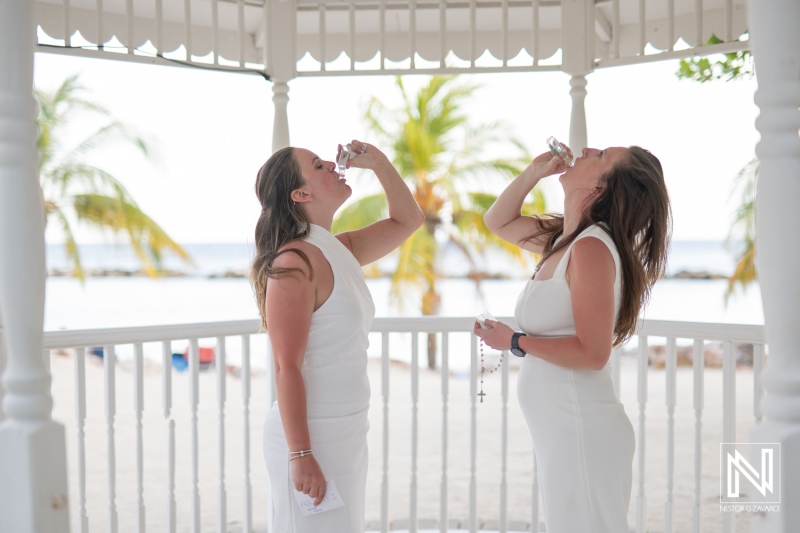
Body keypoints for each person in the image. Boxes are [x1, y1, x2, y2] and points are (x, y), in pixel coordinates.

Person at [474, 144, 671, 532]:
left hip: (582, 429)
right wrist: (534, 173)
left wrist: (514, 342)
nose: (587, 149)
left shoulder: (591, 248)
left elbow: (593, 353)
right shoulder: (566, 241)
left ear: (600, 187)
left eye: (599, 156)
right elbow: (497, 221)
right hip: (564, 431)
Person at [251, 141, 423, 532]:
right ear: (302, 194)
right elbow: (286, 366)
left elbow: (408, 220)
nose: (332, 163)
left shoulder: (338, 249)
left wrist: (379, 163)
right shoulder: (293, 263)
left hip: (347, 428)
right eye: (317, 165)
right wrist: (300, 453)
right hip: (310, 434)